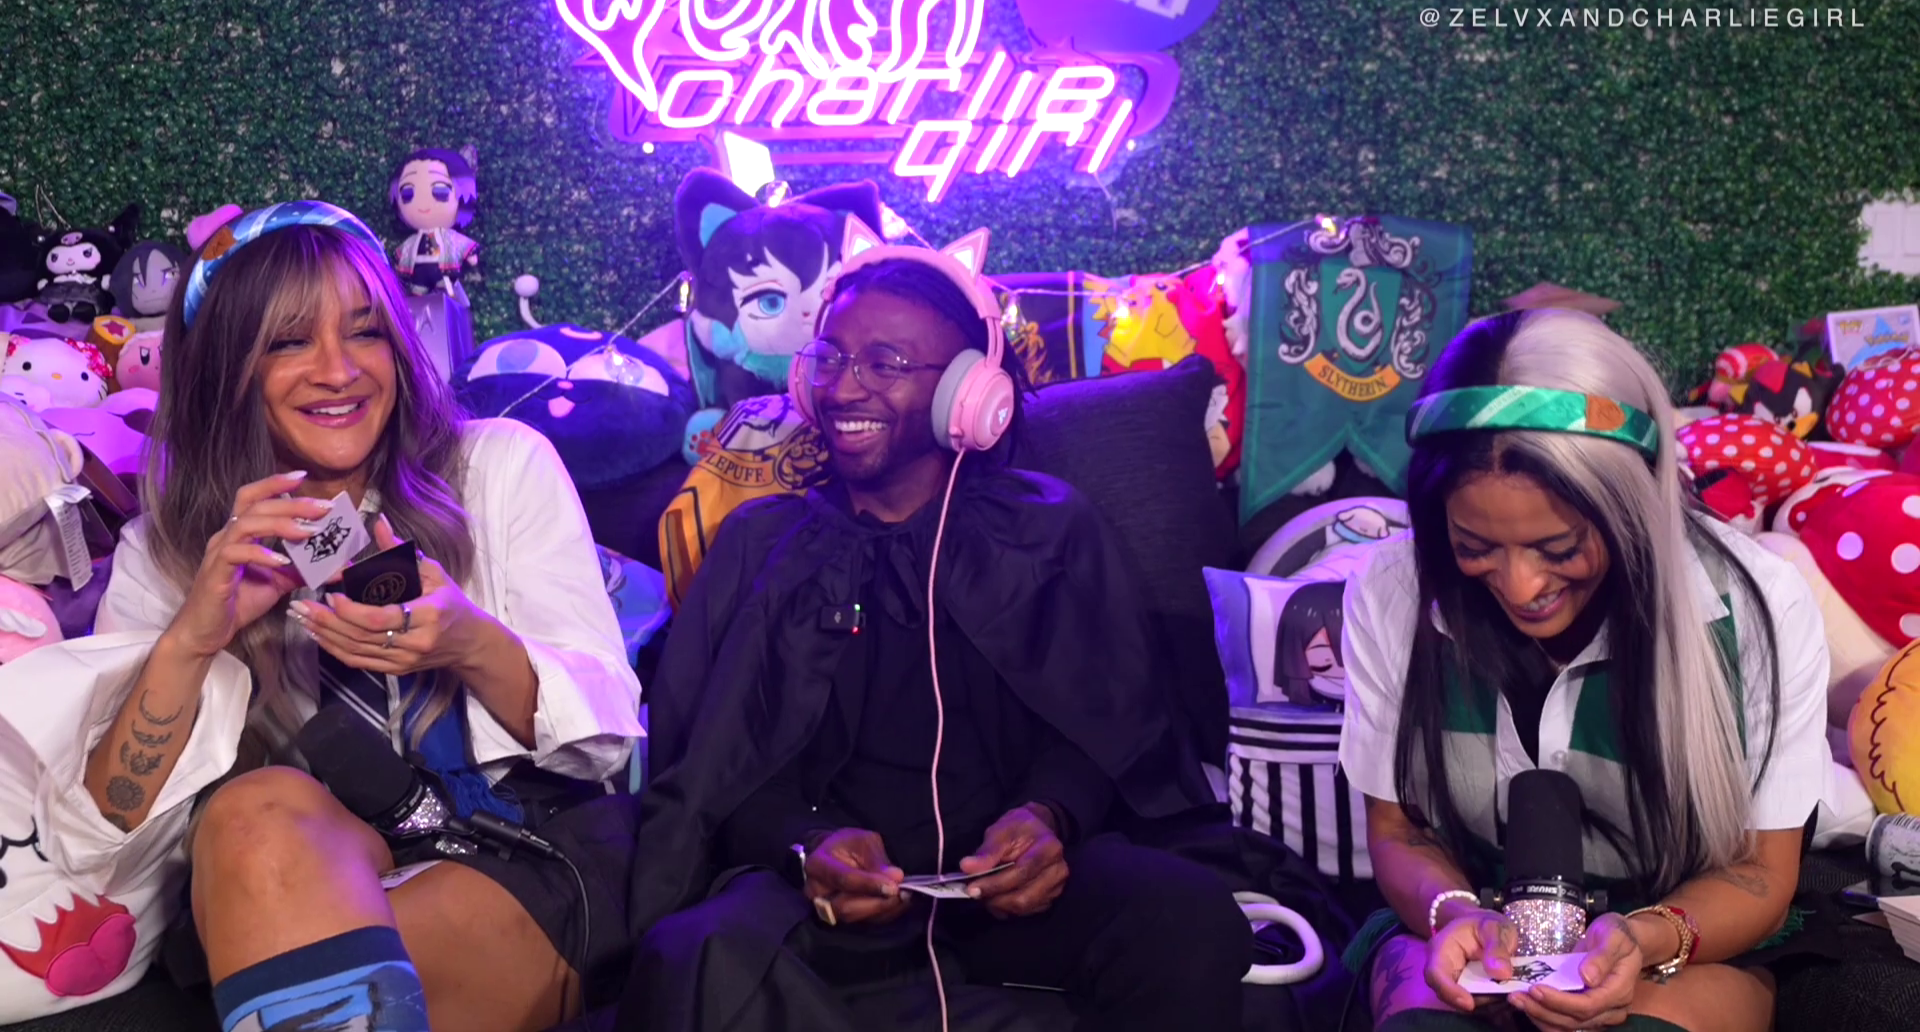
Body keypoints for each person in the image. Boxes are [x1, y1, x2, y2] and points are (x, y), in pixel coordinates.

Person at [616, 238, 1252, 1031]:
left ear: (967, 391)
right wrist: (806, 845)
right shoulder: (760, 544)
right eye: (831, 357)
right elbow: (716, 766)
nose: (845, 386)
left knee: (1188, 919)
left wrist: (1051, 817)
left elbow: (1115, 728)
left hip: (1017, 905)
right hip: (823, 914)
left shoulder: (1048, 530)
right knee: (692, 954)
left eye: (885, 364)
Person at [55, 202, 641, 1032]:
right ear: (225, 367)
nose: (339, 371)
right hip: (280, 872)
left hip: (512, 851)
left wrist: (470, 642)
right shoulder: (169, 549)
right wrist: (194, 639)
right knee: (255, 813)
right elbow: (101, 836)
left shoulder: (497, 469)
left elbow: (609, 744)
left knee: (305, 949)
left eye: (365, 333)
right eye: (289, 342)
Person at [1337, 309, 1831, 1032]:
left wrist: (1645, 938)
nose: (1520, 586)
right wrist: (1456, 914)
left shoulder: (1758, 605)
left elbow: (1759, 872)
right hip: (1464, 927)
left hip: (1682, 943)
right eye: (1475, 546)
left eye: (1560, 548)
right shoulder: (1391, 592)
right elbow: (1398, 830)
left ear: (1634, 510)